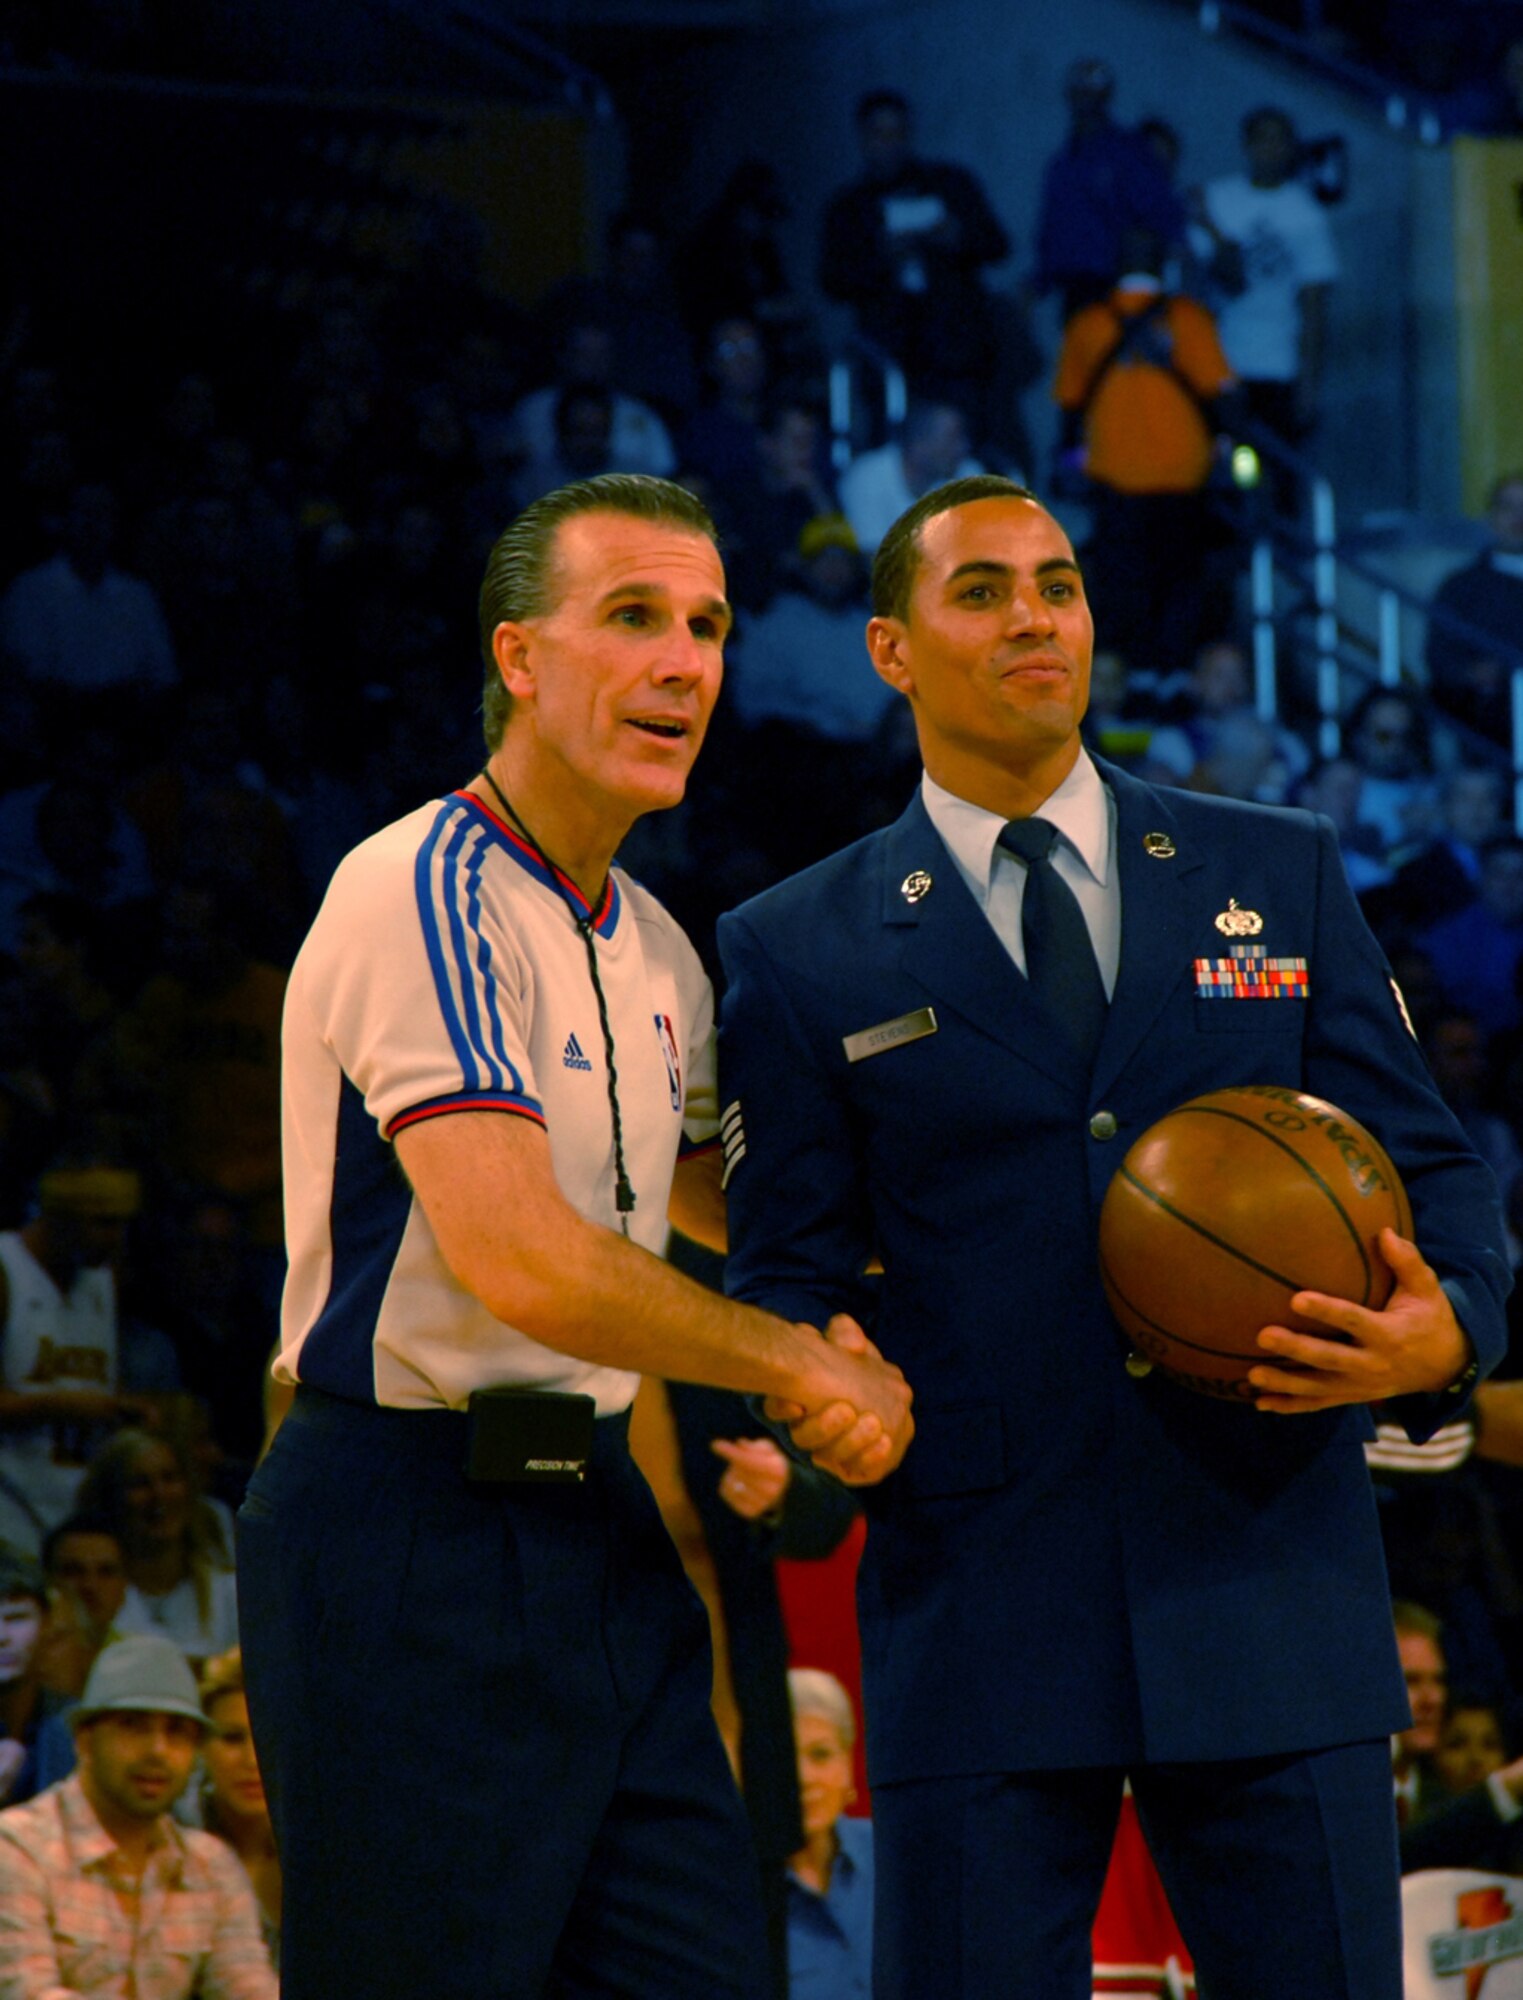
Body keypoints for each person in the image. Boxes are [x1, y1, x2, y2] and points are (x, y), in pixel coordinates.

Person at [716, 473, 1510, 1999]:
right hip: (979, 1609)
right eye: (982, 590)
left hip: (1270, 1581)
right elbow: (787, 1278)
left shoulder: (1268, 867)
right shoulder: (792, 946)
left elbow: (1434, 1170)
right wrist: (820, 1399)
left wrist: (1447, 1328)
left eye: (1058, 583)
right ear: (889, 649)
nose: (1033, 617)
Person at [235, 472, 914, 2000]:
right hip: (401, 1526)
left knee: (698, 1970)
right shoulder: (421, 887)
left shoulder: (657, 941)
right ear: (516, 658)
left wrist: (876, 1310)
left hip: (592, 1517)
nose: (682, 662)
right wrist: (801, 1364)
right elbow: (523, 1255)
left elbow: (711, 1207)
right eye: (631, 619)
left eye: (705, 626)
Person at [0, 1634, 276, 1998]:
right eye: (133, 1725)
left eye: (176, 1731)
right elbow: (27, 1991)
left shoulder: (210, 1866)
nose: (157, 1751)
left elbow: (251, 1988)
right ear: (84, 1739)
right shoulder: (19, 1848)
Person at [819, 88, 1010, 407]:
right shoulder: (849, 207)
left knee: (961, 444)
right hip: (888, 355)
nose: (889, 144)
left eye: (898, 133)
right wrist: (883, 256)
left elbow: (997, 244)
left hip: (955, 354)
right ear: (863, 139)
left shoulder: (950, 184)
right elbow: (832, 280)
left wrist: (955, 237)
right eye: (879, 134)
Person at [0, 1154, 145, 1556]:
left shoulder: (100, 1278)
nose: (115, 1239)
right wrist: (60, 1405)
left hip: (77, 1516)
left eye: (121, 1224)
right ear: (60, 1216)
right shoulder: (7, 1271)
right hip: (8, 1509)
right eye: (102, 1223)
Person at [1194, 107, 1340, 472]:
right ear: (1247, 145)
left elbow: (1315, 304)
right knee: (1223, 476)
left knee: (1278, 474)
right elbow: (1217, 279)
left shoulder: (1306, 214)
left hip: (1278, 368)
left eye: (1279, 139)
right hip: (1221, 365)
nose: (1270, 148)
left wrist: (1309, 386)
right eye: (1262, 138)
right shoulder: (1218, 198)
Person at [1030, 59, 1186, 323]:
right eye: (1080, 90)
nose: (1087, 100)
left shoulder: (1129, 152)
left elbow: (1161, 214)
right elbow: (1052, 230)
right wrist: (1039, 282)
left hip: (1118, 286)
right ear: (1069, 94)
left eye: (1095, 92)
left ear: (1107, 96)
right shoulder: (1062, 161)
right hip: (1075, 289)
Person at [77, 1429, 238, 1668]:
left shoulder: (229, 1594)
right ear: (112, 1498)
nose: (159, 1495)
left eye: (169, 1478)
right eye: (140, 1484)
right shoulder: (92, 1593)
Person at [784, 1668, 874, 1999]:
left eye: (820, 1754)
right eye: (786, 1759)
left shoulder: (892, 1859)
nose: (804, 1777)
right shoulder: (739, 1885)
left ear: (849, 1763)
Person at [197, 1648, 280, 1968]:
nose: (251, 1760)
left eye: (268, 1741)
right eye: (232, 1739)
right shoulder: (173, 1850)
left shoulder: (323, 1850)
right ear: (201, 1746)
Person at [1424, 472, 1523, 743]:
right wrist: (1473, 674)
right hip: (1485, 719)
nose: (1518, 517)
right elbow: (1440, 656)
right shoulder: (1461, 586)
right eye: (1507, 507)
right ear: (1491, 517)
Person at [1393, 1600, 1449, 1828]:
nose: (1432, 1699)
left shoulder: (1447, 1803)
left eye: (1437, 1680)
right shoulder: (1343, 1805)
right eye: (1411, 1681)